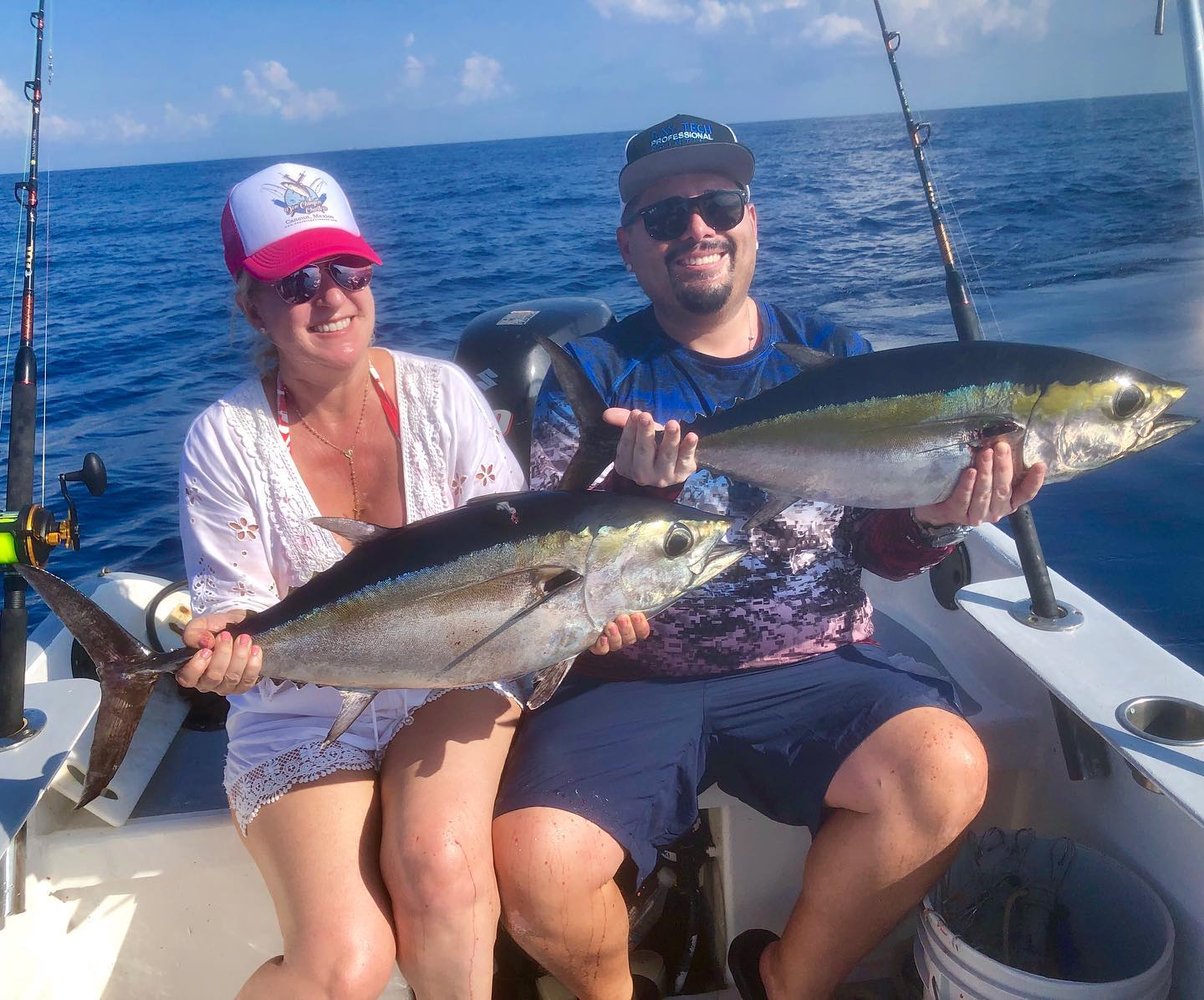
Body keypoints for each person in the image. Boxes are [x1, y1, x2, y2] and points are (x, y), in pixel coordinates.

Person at [492, 114, 1047, 1000]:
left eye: (719, 202)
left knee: (945, 767)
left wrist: (939, 520)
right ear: (629, 244)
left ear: (754, 219)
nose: (697, 229)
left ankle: (787, 984)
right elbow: (552, 562)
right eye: (666, 217)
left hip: (818, 662)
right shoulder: (599, 377)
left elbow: (880, 548)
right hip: (628, 678)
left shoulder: (834, 356)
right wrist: (643, 505)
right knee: (539, 873)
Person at [174, 162, 648, 1000]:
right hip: (304, 708)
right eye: (296, 281)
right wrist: (227, 645)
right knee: (343, 971)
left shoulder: (442, 393)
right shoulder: (223, 438)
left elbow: (518, 557)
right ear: (251, 303)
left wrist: (584, 613)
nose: (331, 298)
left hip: (458, 670)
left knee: (441, 872)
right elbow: (235, 609)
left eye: (347, 269)